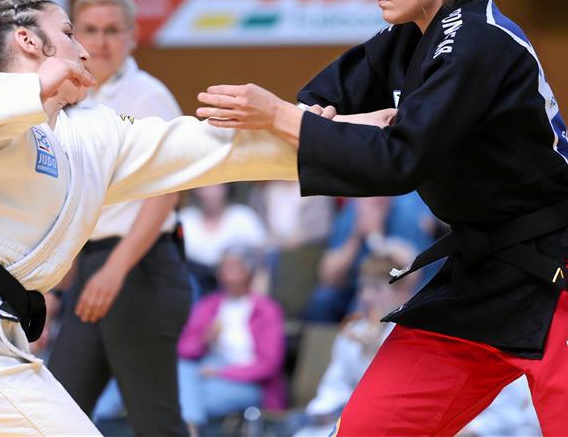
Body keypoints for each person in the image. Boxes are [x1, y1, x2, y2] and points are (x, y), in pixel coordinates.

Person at [196, 0, 568, 435]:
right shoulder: (404, 40)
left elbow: (398, 160)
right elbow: (318, 102)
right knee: (366, 428)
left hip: (563, 275)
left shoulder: (481, 43)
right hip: (477, 277)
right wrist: (305, 118)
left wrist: (281, 117)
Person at [0, 0, 307, 436]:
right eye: (72, 33)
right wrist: (34, 87)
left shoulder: (88, 131)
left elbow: (208, 148)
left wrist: (317, 134)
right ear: (30, 42)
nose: (85, 49)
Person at [46, 0, 192, 436]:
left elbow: (165, 192)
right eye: (89, 29)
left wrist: (115, 268)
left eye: (113, 29)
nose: (101, 41)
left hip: (140, 267)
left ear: (132, 35)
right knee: (55, 414)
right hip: (92, 266)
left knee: (154, 421)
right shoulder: (71, 97)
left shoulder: (148, 96)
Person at [293, 246, 416, 437]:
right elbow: (335, 384)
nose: (366, 296)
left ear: (402, 293)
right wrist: (324, 411)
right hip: (346, 416)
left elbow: (403, 398)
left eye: (376, 288)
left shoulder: (411, 337)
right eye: (363, 287)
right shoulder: (352, 333)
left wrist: (375, 353)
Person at [176, 244, 286, 431]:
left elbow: (269, 364)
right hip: (205, 372)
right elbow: (184, 350)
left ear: (249, 272)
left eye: (234, 267)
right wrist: (204, 339)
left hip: (247, 381)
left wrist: (223, 373)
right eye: (224, 268)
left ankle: (190, 426)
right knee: (183, 370)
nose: (227, 274)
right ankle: (190, 427)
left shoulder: (266, 310)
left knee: (185, 399)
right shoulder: (209, 306)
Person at [180, 184, 269, 294]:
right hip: (193, 287)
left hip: (236, 288)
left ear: (227, 189)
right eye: (205, 187)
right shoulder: (186, 218)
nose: (211, 193)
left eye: (216, 187)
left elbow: (261, 258)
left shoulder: (243, 217)